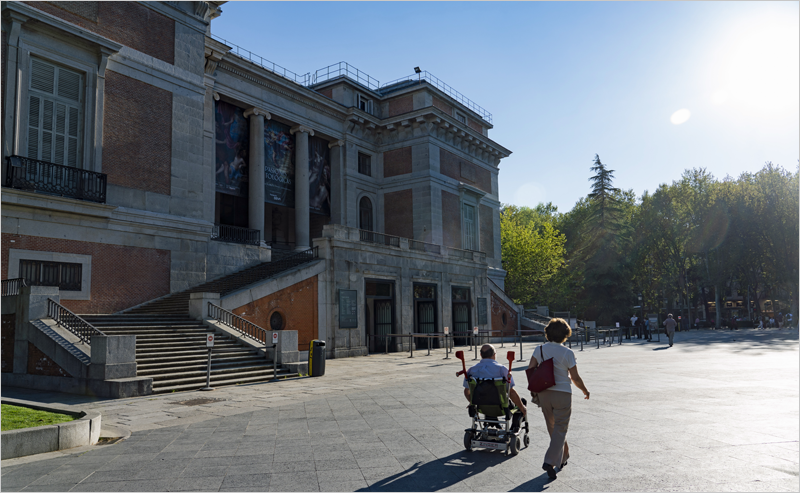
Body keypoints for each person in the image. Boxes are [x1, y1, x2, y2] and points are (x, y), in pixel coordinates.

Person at [527, 318, 589, 480]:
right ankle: (550, 461)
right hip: (562, 393)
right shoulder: (568, 353)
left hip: (544, 393)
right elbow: (574, 377)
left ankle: (564, 455)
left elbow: (530, 369)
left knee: (553, 426)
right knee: (561, 427)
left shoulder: (539, 349)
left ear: (548, 333)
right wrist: (584, 390)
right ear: (565, 335)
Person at [463, 344, 527, 419]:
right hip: (501, 409)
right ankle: (515, 425)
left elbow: (466, 391)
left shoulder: (471, 370)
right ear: (494, 354)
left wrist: (472, 402)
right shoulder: (502, 369)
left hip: (481, 407)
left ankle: (490, 419)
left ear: (480, 354)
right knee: (522, 401)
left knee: (487, 397)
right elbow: (511, 393)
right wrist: (522, 407)